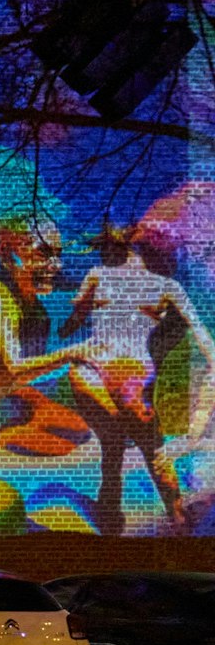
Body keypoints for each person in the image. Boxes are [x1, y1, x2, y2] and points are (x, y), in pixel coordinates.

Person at [59, 223, 215, 534]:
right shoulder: (98, 275)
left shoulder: (167, 286)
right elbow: (71, 324)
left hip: (131, 374)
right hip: (96, 369)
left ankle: (171, 519)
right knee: (124, 446)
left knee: (128, 448)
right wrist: (76, 312)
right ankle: (162, 520)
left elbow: (205, 344)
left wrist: (193, 433)